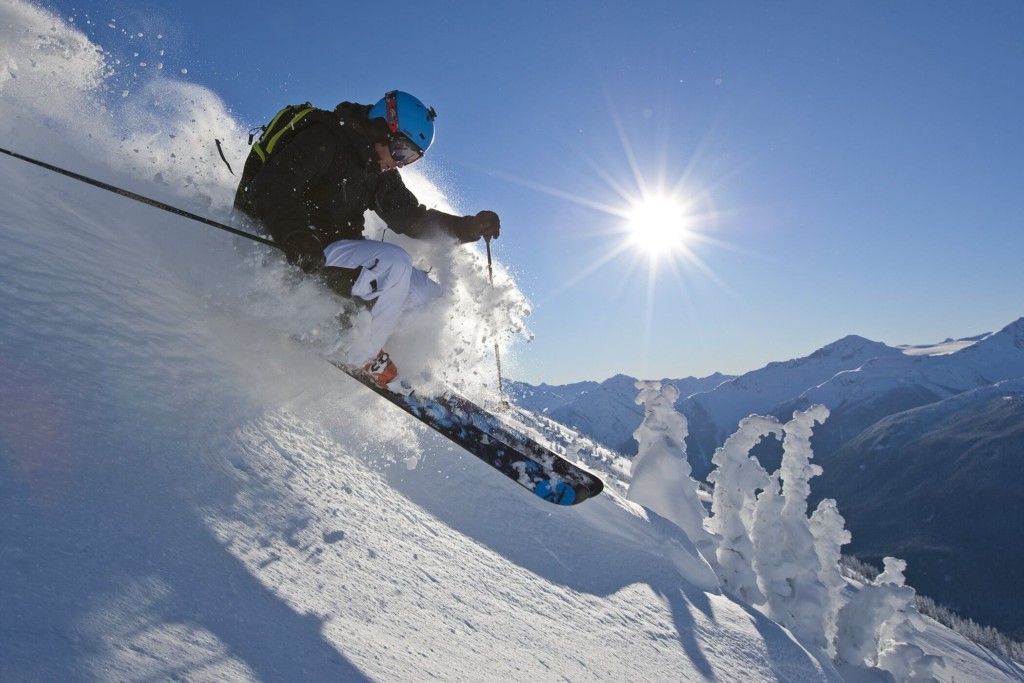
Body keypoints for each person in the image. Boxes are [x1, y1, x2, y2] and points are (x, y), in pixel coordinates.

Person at [234, 90, 500, 387]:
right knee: (394, 263)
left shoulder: (376, 169)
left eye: (411, 158)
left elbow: (410, 217)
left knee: (428, 295)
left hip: (334, 252)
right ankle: (361, 354)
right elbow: (273, 185)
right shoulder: (325, 138)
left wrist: (468, 228)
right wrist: (295, 233)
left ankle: (369, 336)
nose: (400, 163)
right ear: (382, 127)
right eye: (401, 152)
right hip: (294, 246)